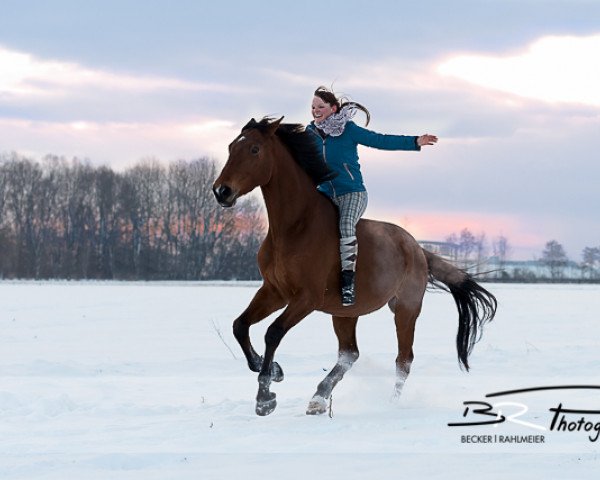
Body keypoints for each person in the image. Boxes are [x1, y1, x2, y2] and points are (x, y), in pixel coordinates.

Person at [306, 86, 438, 306]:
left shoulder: (348, 130)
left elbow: (380, 140)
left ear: (333, 108)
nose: (316, 111)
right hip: (324, 194)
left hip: (352, 193)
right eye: (312, 107)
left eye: (321, 106)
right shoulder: (309, 134)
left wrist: (415, 141)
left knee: (346, 225)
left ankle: (348, 282)